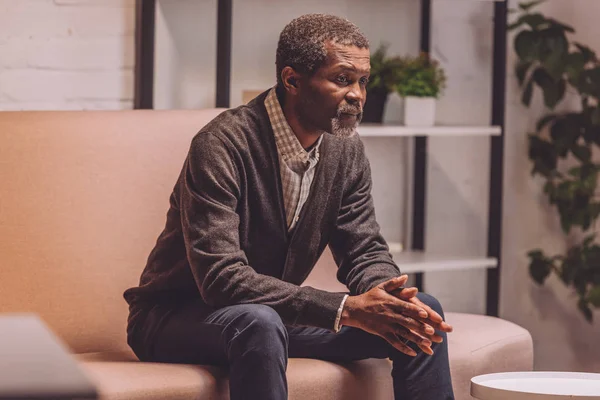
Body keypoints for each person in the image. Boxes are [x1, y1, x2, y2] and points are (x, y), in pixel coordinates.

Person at [123, 13, 455, 400]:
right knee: (257, 321)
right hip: (174, 317)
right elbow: (221, 278)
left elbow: (363, 249)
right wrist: (345, 308)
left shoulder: (345, 149)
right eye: (342, 79)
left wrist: (384, 294)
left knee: (419, 314)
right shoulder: (221, 145)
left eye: (363, 81)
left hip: (272, 315)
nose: (358, 95)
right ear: (292, 79)